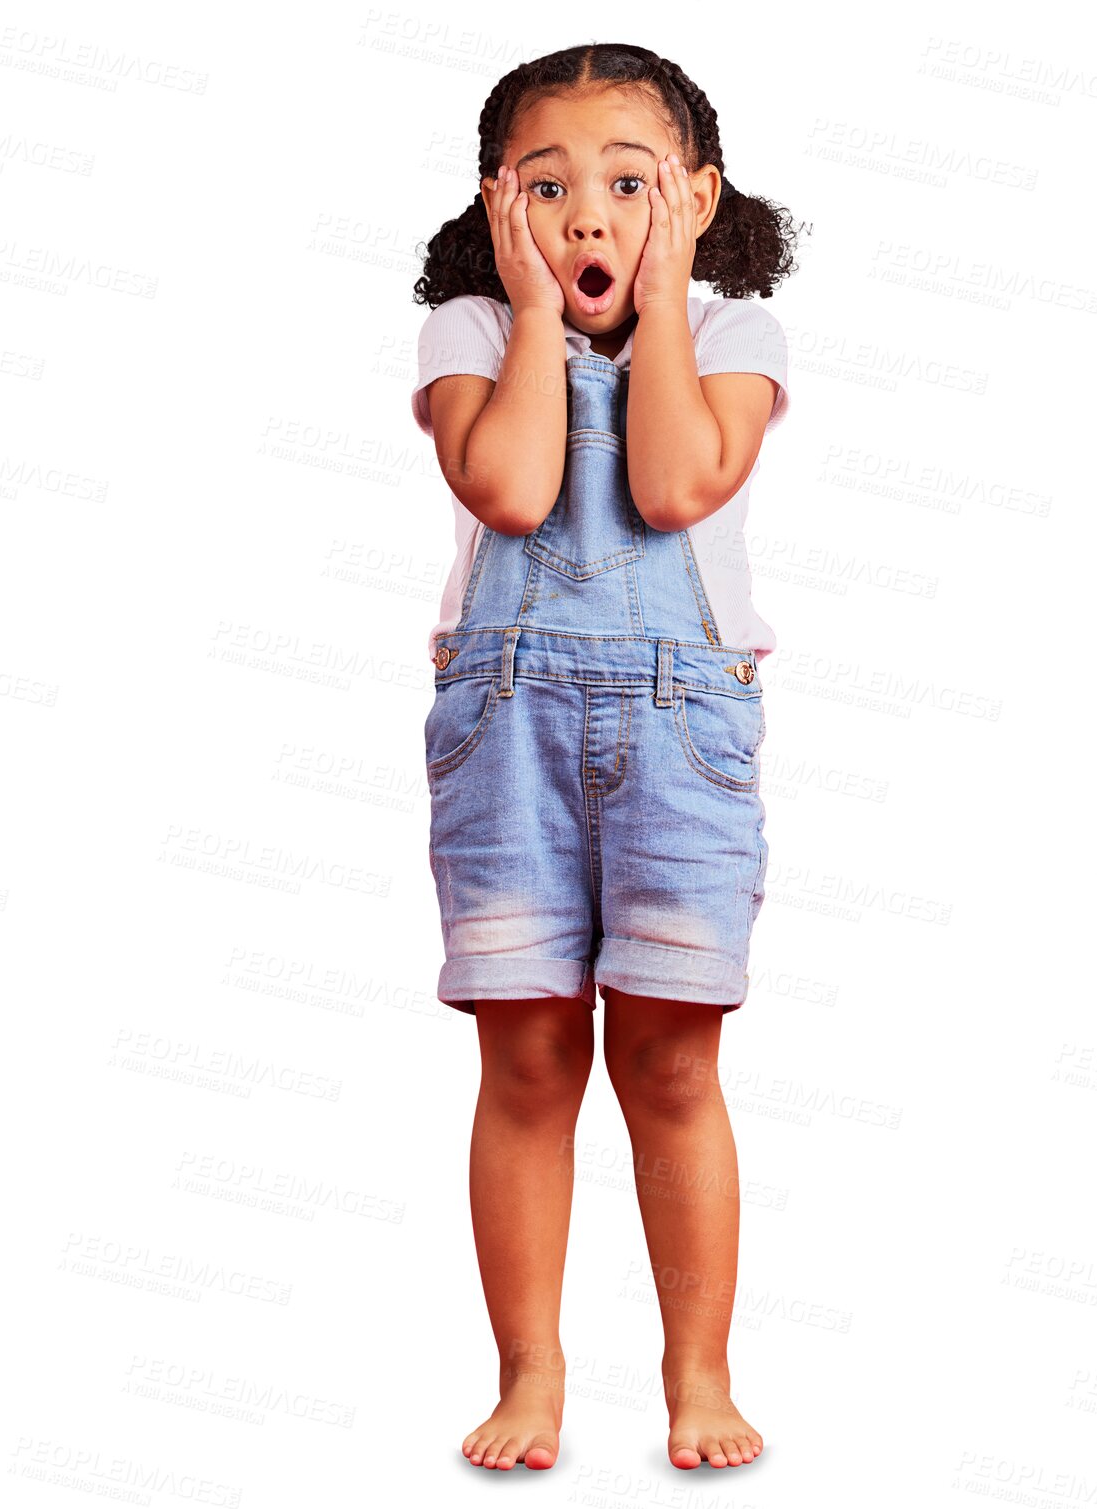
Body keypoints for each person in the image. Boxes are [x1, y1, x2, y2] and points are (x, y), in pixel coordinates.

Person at [410, 41, 798, 1474]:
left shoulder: (732, 336)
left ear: (693, 198)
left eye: (629, 185)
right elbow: (510, 490)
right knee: (523, 1057)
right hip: (507, 721)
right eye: (547, 185)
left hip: (680, 725)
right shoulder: (468, 330)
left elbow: (671, 480)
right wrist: (525, 312)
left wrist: (668, 308)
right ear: (497, 204)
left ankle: (697, 1371)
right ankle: (531, 1374)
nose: (587, 216)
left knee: (672, 1058)